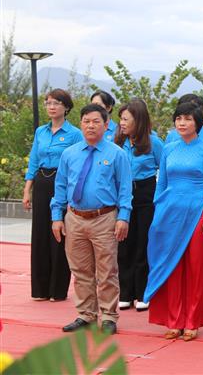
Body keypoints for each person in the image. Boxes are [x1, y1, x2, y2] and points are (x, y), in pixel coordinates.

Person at [51, 104, 132, 335]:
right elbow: (60, 186)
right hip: (75, 218)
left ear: (106, 125)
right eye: (86, 121)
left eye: (96, 121)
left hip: (104, 217)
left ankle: (108, 316)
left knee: (107, 271)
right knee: (80, 270)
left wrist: (123, 217)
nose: (90, 126)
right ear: (80, 124)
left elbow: (125, 188)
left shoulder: (117, 154)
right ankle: (86, 314)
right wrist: (57, 216)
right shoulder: (69, 154)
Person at [143, 102, 203, 342]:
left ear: (197, 122)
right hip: (170, 211)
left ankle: (192, 321)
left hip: (199, 210)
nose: (182, 123)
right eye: (178, 118)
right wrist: (158, 213)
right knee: (172, 266)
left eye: (187, 119)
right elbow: (162, 184)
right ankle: (174, 321)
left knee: (197, 266)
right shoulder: (169, 148)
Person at [23, 89, 82, 302]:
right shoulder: (41, 131)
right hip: (41, 182)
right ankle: (40, 289)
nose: (51, 107)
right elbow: (33, 161)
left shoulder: (75, 134)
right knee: (40, 234)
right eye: (48, 103)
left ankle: (57, 289)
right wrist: (27, 189)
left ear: (66, 107)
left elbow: (78, 163)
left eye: (56, 103)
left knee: (59, 233)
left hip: (62, 183)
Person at [114, 99, 164, 311]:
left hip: (146, 194)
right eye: (121, 119)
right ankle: (126, 292)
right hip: (123, 194)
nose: (122, 123)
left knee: (143, 244)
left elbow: (164, 170)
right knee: (124, 244)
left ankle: (144, 292)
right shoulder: (118, 142)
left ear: (138, 120)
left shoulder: (154, 143)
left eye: (126, 119)